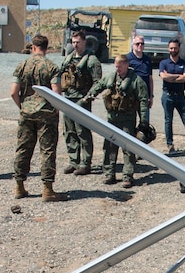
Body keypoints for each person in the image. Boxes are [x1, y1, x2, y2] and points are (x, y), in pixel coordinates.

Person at [11, 34, 67, 202]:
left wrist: (23, 106)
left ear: (33, 47)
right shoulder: (52, 67)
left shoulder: (22, 65)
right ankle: (47, 190)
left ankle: (19, 186)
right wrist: (56, 110)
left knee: (23, 148)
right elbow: (56, 93)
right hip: (46, 114)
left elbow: (13, 92)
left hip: (26, 113)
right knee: (47, 151)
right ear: (46, 48)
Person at [83, 55, 148, 188]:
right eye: (116, 66)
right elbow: (99, 86)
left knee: (128, 148)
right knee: (109, 146)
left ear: (126, 65)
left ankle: (127, 176)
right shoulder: (110, 78)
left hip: (127, 119)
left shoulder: (136, 81)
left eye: (120, 66)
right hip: (112, 119)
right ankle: (109, 173)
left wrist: (144, 121)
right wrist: (89, 96)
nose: (117, 69)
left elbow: (143, 101)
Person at [60, 31, 103, 176]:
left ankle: (85, 163)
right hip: (68, 99)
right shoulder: (69, 59)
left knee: (82, 132)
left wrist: (86, 99)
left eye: (78, 42)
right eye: (73, 42)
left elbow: (98, 83)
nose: (75, 45)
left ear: (84, 42)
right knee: (69, 131)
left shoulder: (91, 61)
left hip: (81, 101)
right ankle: (74, 161)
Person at [158, 39, 185, 154]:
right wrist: (178, 76)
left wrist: (170, 77)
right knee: (168, 120)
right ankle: (170, 144)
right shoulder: (164, 63)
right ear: (168, 49)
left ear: (179, 49)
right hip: (167, 95)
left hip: (180, 96)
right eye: (171, 48)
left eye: (175, 48)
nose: (173, 50)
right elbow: (163, 77)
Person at [126, 36, 154, 128]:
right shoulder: (127, 59)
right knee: (130, 122)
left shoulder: (147, 60)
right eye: (137, 44)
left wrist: (151, 96)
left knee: (144, 122)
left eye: (142, 43)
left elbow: (150, 78)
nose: (140, 45)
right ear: (133, 45)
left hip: (144, 96)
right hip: (131, 95)